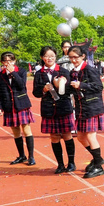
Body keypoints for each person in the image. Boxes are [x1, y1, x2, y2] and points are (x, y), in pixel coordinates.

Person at [32, 46, 77, 174]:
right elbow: (35, 93)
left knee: (67, 135)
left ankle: (71, 163)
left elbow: (70, 91)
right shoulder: (38, 74)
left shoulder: (63, 71)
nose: (49, 58)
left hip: (63, 107)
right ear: (42, 58)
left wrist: (61, 85)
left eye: (52, 56)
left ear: (56, 57)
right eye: (47, 56)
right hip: (48, 109)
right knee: (54, 136)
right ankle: (60, 164)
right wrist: (43, 89)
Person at [68, 46, 104, 179]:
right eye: (71, 57)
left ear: (82, 56)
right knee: (80, 137)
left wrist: (81, 85)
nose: (73, 60)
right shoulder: (72, 72)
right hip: (80, 108)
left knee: (91, 136)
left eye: (76, 57)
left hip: (92, 107)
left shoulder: (89, 69)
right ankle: (97, 159)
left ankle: (98, 167)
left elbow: (98, 87)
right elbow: (71, 90)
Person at [0, 51, 36, 166]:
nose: (8, 63)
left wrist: (13, 73)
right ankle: (22, 155)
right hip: (9, 105)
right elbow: (0, 92)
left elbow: (22, 85)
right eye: (5, 61)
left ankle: (31, 156)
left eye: (10, 60)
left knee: (26, 130)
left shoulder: (21, 71)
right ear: (2, 62)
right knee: (16, 132)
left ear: (14, 61)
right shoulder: (0, 75)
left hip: (21, 103)